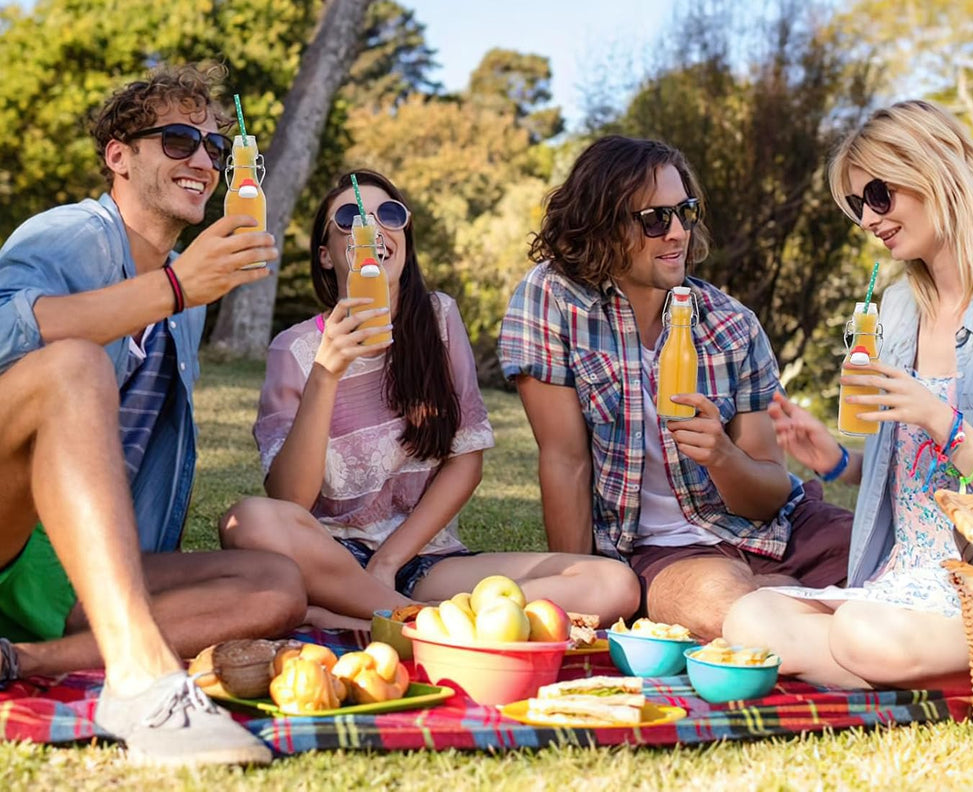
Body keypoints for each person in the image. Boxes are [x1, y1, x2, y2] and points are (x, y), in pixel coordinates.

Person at [0, 64, 306, 767]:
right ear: (119, 155)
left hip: (78, 564)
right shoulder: (69, 236)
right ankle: (141, 679)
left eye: (213, 148)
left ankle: (22, 658)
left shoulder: (185, 305)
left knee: (277, 584)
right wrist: (173, 288)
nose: (202, 160)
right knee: (73, 364)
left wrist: (180, 293)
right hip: (9, 523)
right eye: (176, 140)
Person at [723, 99, 973, 688]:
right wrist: (840, 461)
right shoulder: (896, 309)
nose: (868, 218)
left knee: (861, 633)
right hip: (897, 580)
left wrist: (942, 421)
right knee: (749, 617)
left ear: (934, 172)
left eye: (879, 196)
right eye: (858, 204)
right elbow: (920, 485)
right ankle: (967, 668)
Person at [220, 171, 641, 627]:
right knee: (247, 521)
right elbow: (289, 500)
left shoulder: (439, 319)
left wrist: (387, 562)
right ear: (325, 255)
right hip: (327, 561)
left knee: (613, 584)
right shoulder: (296, 350)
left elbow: (465, 462)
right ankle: (428, 624)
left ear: (404, 237)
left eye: (389, 214)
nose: (371, 227)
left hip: (423, 560)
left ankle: (371, 620)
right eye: (349, 217)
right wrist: (326, 374)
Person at [496, 136, 853, 640]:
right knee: (723, 605)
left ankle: (791, 595)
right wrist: (582, 591)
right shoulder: (553, 300)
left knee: (909, 563)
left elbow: (772, 493)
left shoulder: (731, 324)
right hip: (659, 551)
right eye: (655, 219)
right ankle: (814, 606)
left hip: (782, 529)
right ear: (603, 223)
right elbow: (565, 461)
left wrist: (723, 457)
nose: (678, 233)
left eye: (685, 212)